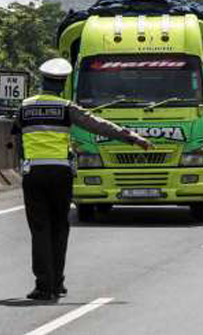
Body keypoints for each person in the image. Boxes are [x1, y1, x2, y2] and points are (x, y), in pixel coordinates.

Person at [11, 58, 153, 300]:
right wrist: (132, 137)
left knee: (40, 229)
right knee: (59, 227)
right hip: (60, 174)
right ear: (63, 83)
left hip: (33, 174)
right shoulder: (67, 107)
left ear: (41, 82)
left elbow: (16, 138)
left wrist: (23, 164)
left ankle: (44, 286)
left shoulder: (25, 107)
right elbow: (98, 125)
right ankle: (57, 282)